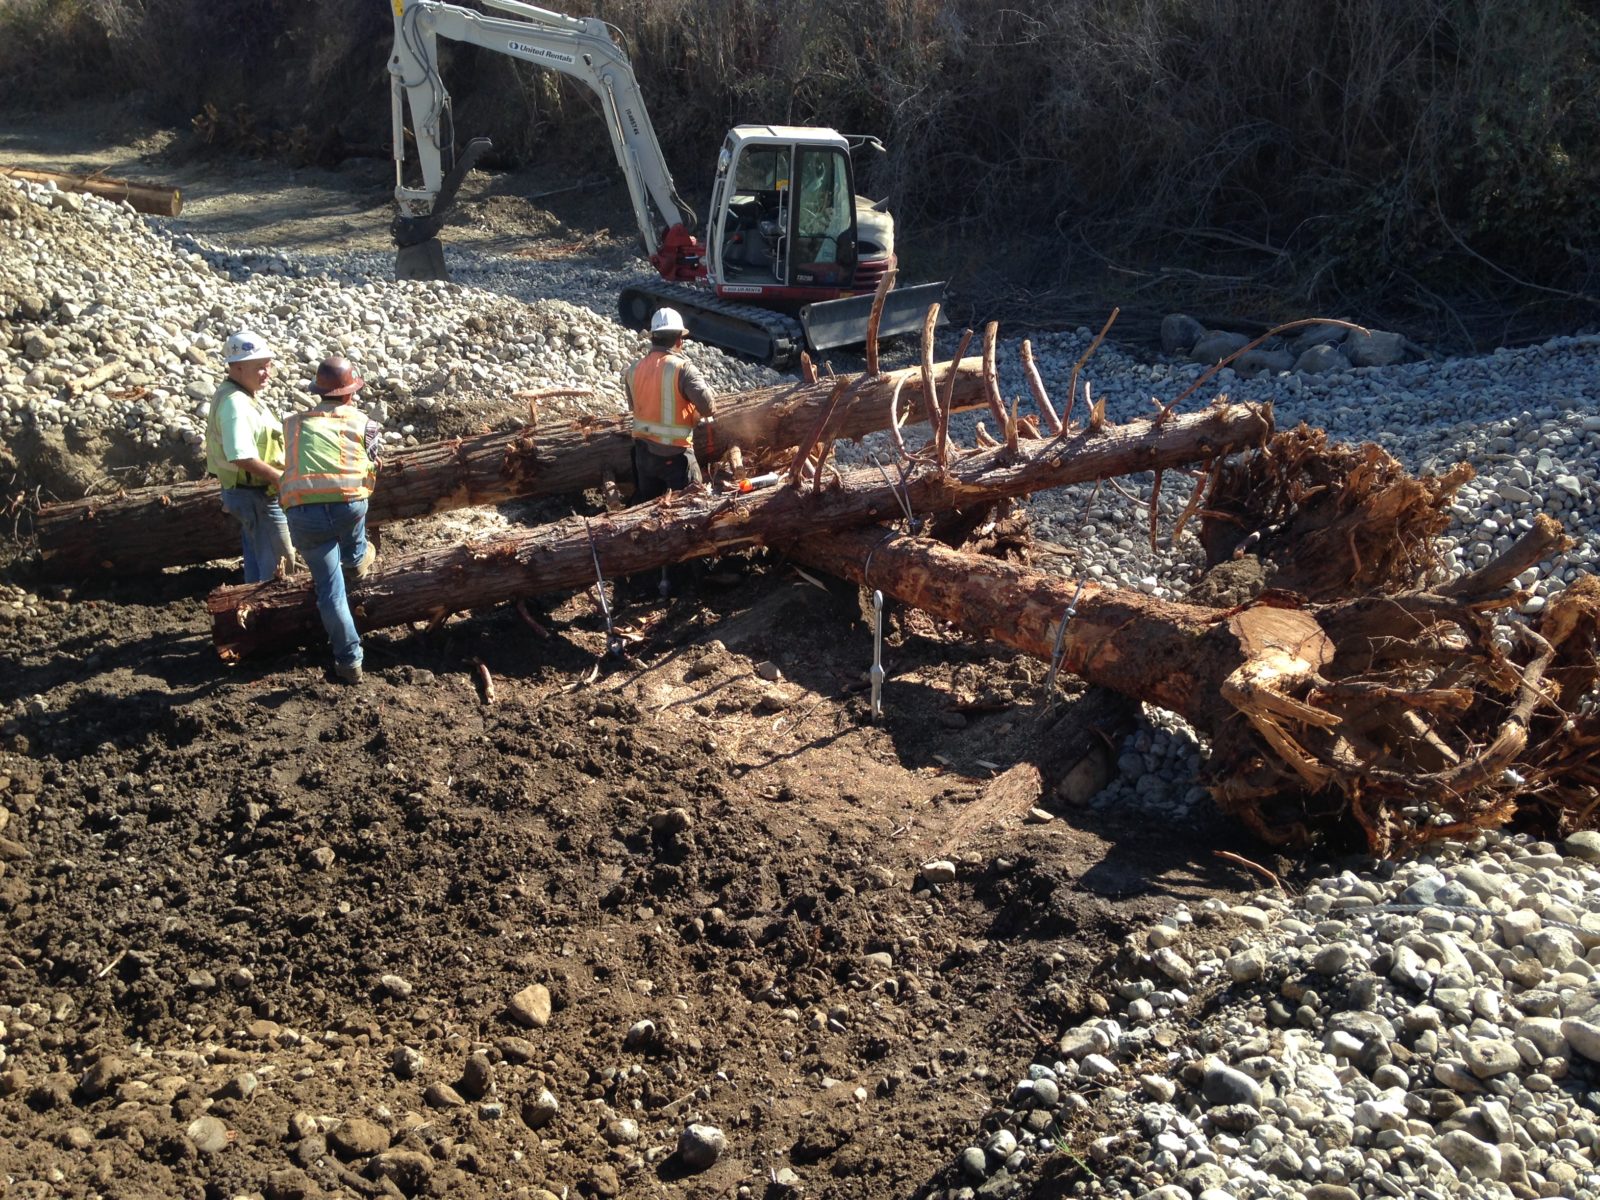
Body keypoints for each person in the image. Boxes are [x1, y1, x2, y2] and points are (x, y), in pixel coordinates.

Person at [277, 356, 378, 684]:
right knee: (354, 525)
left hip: (302, 512)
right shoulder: (364, 423)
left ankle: (349, 662)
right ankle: (356, 558)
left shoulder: (293, 424)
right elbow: (373, 460)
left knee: (330, 591)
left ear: (318, 391)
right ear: (351, 392)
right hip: (349, 506)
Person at [205, 330, 293, 582]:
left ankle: (253, 598)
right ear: (237, 367)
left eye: (268, 365)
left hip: (248, 493)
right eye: (260, 367)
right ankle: (271, 604)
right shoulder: (236, 404)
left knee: (258, 552)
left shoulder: (241, 394)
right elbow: (240, 455)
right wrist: (278, 478)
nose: (267, 373)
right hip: (255, 495)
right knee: (279, 563)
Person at [624, 307, 717, 502]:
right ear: (679, 340)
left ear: (653, 338)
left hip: (643, 455)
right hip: (676, 456)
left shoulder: (633, 369)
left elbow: (635, 406)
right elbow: (708, 407)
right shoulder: (683, 369)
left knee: (647, 505)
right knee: (691, 504)